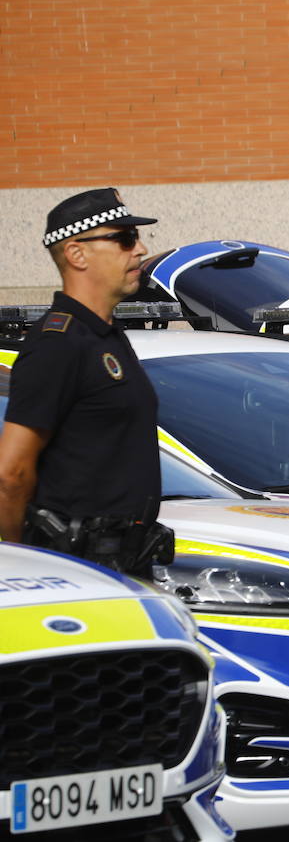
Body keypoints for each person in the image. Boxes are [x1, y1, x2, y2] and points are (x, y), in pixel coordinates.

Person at [0, 187, 173, 577]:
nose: (141, 249)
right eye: (124, 238)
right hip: (76, 571)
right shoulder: (57, 344)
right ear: (77, 253)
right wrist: (22, 568)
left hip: (126, 563)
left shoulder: (105, 336)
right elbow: (11, 474)